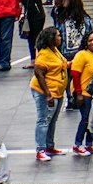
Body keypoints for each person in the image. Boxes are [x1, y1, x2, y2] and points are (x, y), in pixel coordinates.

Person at [30, 26, 67, 160]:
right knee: (44, 120)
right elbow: (39, 73)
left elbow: (61, 65)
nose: (60, 38)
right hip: (46, 92)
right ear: (51, 38)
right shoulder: (44, 54)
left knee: (52, 120)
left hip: (58, 91)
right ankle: (40, 149)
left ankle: (49, 146)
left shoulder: (55, 50)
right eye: (58, 35)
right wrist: (48, 94)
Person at [70, 28, 93, 155]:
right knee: (85, 119)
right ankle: (77, 144)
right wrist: (78, 93)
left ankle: (89, 144)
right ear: (86, 42)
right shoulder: (81, 55)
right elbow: (75, 74)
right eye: (90, 40)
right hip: (84, 93)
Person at [20, 0, 46, 65]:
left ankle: (40, 59)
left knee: (37, 37)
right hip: (28, 16)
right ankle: (33, 60)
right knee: (30, 38)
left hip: (37, 15)